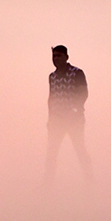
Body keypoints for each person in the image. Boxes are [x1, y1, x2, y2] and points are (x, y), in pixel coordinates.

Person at [44, 45, 93, 185]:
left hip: (74, 120)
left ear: (66, 57)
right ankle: (48, 182)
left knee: (79, 149)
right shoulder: (52, 76)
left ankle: (90, 180)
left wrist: (74, 110)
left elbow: (83, 94)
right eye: (54, 56)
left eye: (59, 56)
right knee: (51, 152)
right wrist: (50, 118)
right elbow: (51, 98)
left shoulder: (77, 73)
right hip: (57, 120)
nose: (56, 59)